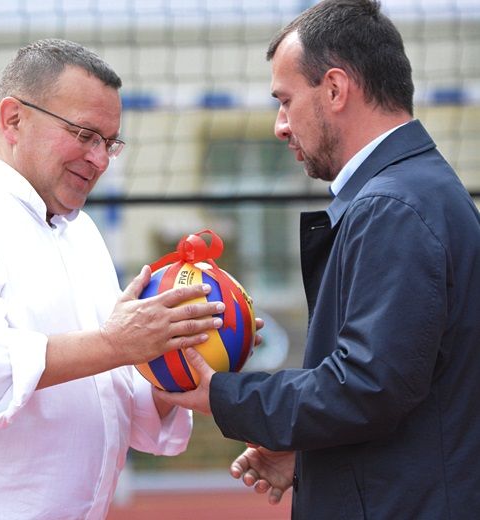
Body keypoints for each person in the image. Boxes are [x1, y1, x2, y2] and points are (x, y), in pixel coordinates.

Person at [0, 38, 225, 520]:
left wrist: (179, 354)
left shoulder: (80, 232)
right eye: (84, 134)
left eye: (110, 142)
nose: (100, 159)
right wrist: (119, 344)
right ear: (13, 118)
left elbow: (110, 397)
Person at [158, 1, 480, 518]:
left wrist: (221, 393)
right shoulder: (414, 192)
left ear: (335, 89)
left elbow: (367, 387)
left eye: (284, 101)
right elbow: (414, 398)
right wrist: (314, 460)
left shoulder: (392, 207)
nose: (279, 126)